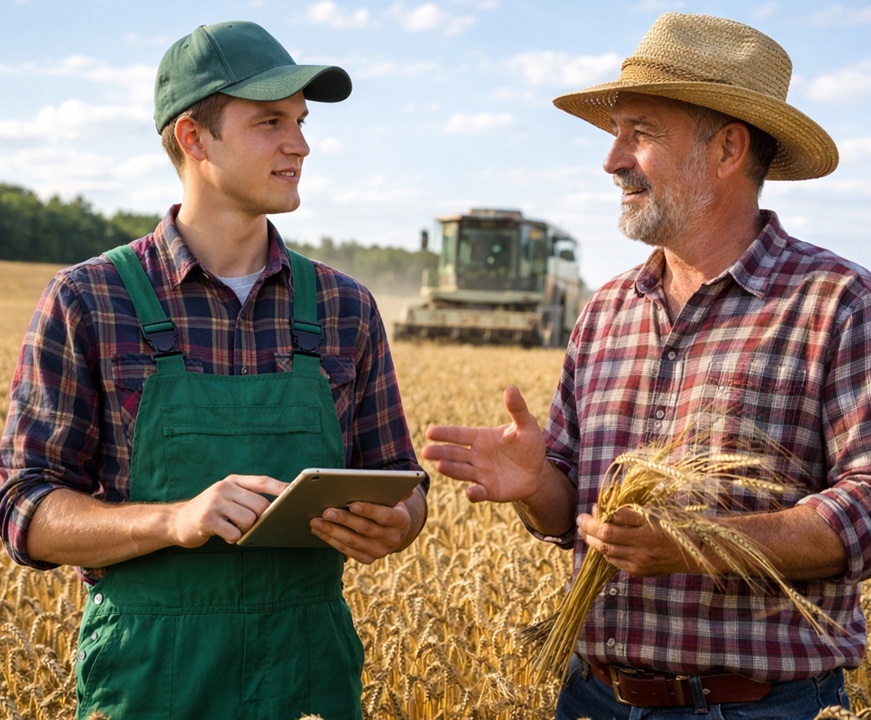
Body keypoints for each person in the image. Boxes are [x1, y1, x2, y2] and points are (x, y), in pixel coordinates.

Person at [424, 12, 868, 719]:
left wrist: (698, 545)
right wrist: (538, 484)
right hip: (593, 696)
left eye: (640, 132)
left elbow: (866, 504)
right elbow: (572, 515)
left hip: (758, 706)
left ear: (727, 149)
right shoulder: (606, 310)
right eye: (614, 132)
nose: (612, 160)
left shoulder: (835, 303)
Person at [0, 20, 428, 720]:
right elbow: (25, 508)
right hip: (150, 678)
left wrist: (398, 521)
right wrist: (174, 520)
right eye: (270, 122)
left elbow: (401, 480)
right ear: (193, 138)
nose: (300, 144)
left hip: (309, 675)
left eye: (300, 121)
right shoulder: (89, 299)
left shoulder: (344, 306)